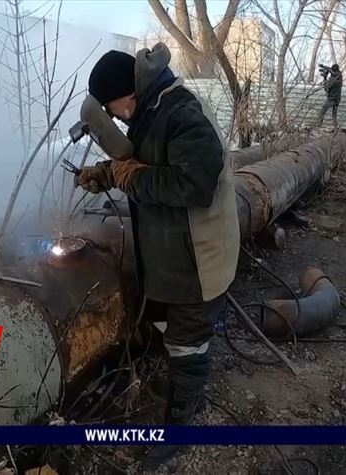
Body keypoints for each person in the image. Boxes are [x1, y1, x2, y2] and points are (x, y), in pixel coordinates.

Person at [75, 43, 240, 468]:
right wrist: (109, 173)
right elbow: (146, 163)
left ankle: (179, 429)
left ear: (128, 92)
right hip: (175, 257)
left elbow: (193, 187)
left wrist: (133, 178)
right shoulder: (153, 108)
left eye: (113, 109)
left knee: (188, 345)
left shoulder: (182, 115)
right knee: (174, 334)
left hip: (199, 260)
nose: (115, 117)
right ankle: (182, 393)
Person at [318, 64, 342, 128]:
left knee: (322, 112)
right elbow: (332, 71)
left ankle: (318, 125)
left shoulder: (334, 78)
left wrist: (325, 78)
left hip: (332, 98)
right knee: (334, 115)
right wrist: (325, 67)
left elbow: (326, 88)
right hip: (337, 99)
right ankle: (335, 127)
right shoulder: (339, 76)